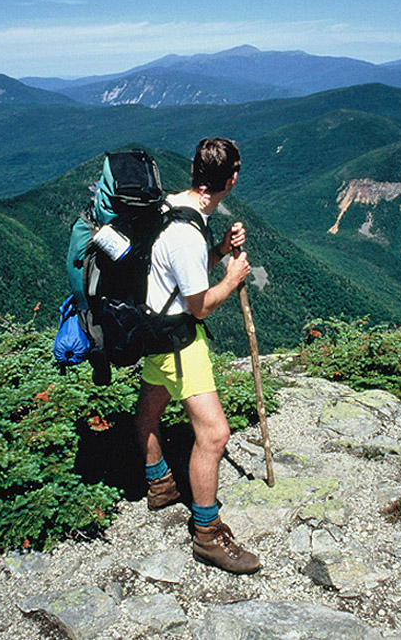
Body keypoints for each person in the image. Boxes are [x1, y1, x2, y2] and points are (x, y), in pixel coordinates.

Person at [135, 137, 260, 574]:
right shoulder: (186, 235)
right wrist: (234, 274)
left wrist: (221, 249)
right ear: (231, 179)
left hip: (153, 328)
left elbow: (175, 275)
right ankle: (207, 535)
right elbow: (200, 305)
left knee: (150, 406)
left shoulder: (172, 206)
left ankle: (160, 484)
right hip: (179, 343)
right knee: (214, 436)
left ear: (194, 171)